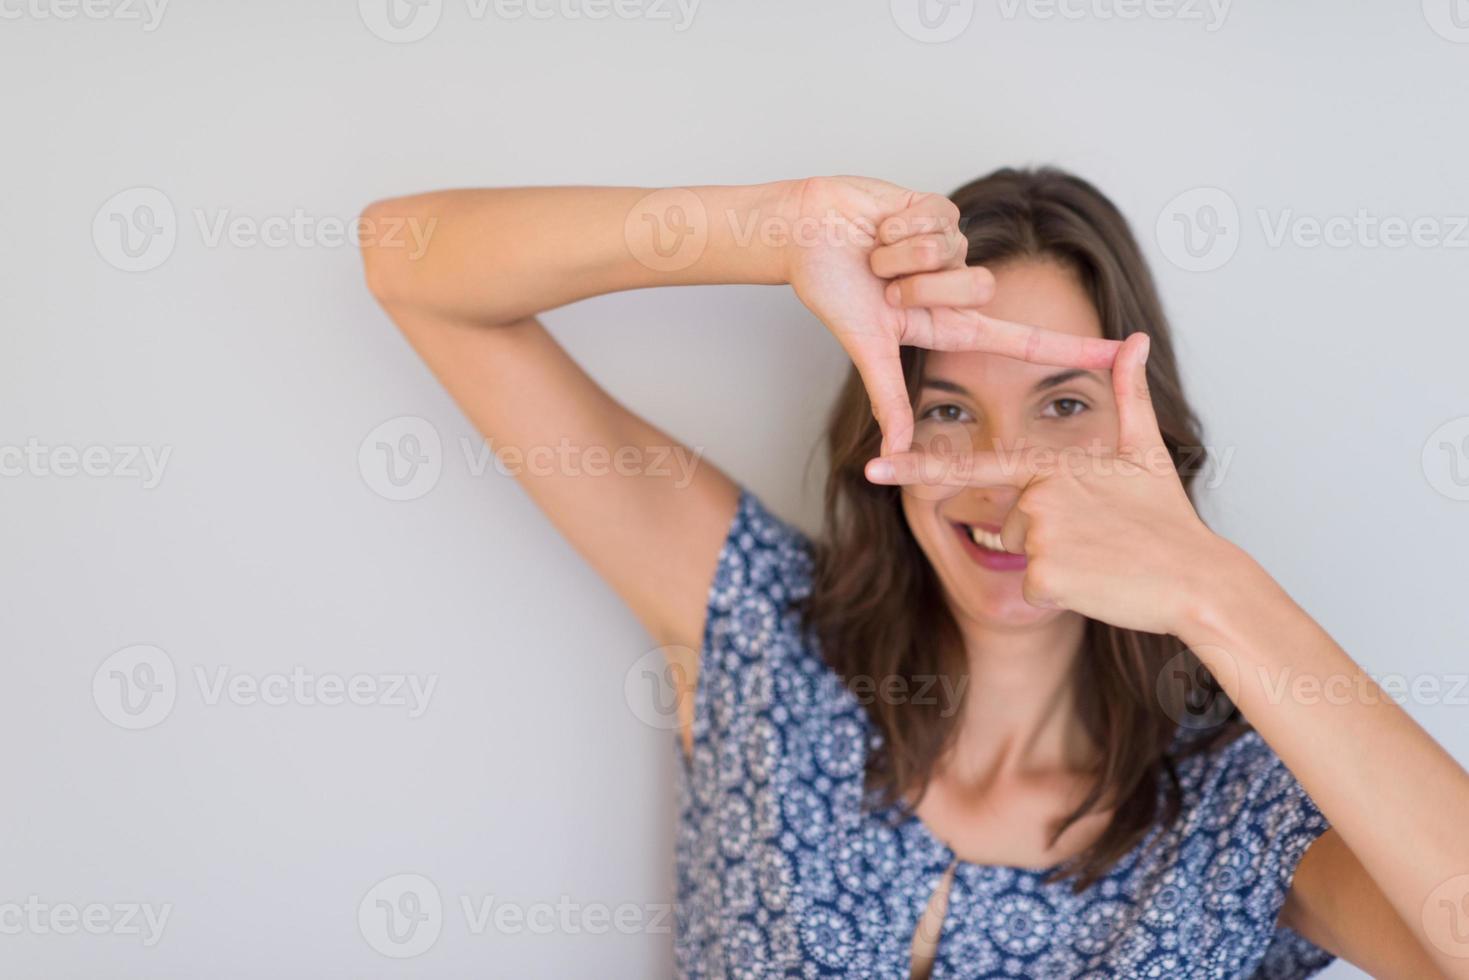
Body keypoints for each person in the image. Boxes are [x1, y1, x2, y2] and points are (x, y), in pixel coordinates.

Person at [359, 169, 1468, 978]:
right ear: (886, 433)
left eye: (1063, 407)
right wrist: (767, 227)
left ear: (1147, 440)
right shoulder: (756, 628)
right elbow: (405, 257)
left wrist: (1211, 589)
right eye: (948, 410)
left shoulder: (1246, 808)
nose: (999, 476)